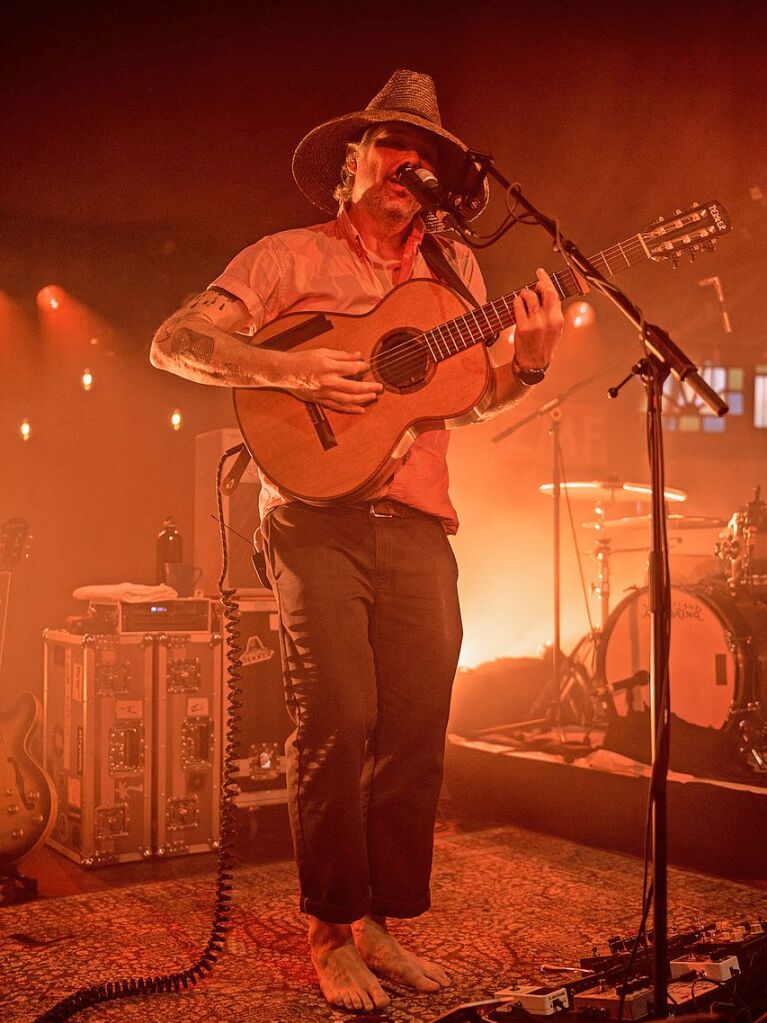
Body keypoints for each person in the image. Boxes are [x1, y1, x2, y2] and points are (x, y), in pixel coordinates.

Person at [150, 70, 563, 1012]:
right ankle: (328, 931)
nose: (409, 165)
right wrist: (282, 367)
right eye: (390, 147)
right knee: (336, 720)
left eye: (427, 157)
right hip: (311, 519)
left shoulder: (458, 275)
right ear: (351, 165)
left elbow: (473, 392)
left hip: (418, 522)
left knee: (416, 729)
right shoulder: (285, 257)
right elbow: (173, 339)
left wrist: (528, 366)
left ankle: (382, 920)